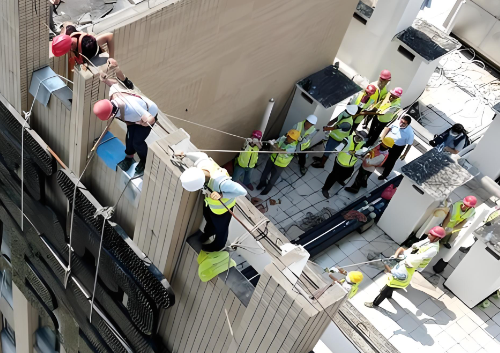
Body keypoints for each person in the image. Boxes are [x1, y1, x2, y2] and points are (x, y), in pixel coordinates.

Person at [179, 152, 247, 252]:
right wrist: (185, 154)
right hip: (210, 204)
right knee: (208, 219)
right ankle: (208, 233)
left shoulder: (221, 183)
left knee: (221, 230)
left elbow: (242, 191)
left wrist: (222, 194)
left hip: (223, 210)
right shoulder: (203, 167)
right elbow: (202, 156)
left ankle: (218, 245)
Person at [364, 226, 446, 308]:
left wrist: (403, 259)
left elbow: (419, 257)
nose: (428, 235)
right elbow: (415, 247)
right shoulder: (428, 240)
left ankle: (375, 304)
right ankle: (389, 294)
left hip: (411, 265)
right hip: (407, 264)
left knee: (385, 289)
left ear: (437, 238)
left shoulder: (434, 249)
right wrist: (404, 254)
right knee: (392, 284)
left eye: (431, 234)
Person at [93, 91, 158, 176]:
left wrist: (146, 121)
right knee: (129, 137)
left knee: (137, 142)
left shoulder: (132, 108)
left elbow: (151, 118)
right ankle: (129, 156)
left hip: (145, 117)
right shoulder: (112, 103)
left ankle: (144, 160)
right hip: (131, 120)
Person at [51, 31, 134, 89]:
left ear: (71, 45)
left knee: (111, 69)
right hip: (86, 55)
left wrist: (111, 57)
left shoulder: (88, 45)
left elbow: (109, 36)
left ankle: (124, 80)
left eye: (68, 50)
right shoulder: (70, 33)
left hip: (96, 55)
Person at [321, 131, 366, 198]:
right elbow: (339, 148)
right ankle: (325, 189)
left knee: (348, 174)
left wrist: (356, 152)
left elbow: (363, 151)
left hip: (350, 164)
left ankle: (340, 179)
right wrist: (339, 150)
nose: (359, 139)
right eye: (358, 137)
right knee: (333, 176)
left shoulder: (362, 144)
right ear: (356, 135)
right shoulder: (347, 140)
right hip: (340, 162)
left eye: (361, 138)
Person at [257, 129, 299, 195]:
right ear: (287, 135)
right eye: (289, 136)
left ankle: (266, 190)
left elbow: (281, 151)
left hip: (280, 165)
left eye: (292, 138)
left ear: (295, 140)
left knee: (272, 179)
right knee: (264, 173)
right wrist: (274, 144)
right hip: (272, 159)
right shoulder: (282, 138)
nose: (290, 139)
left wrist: (274, 145)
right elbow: (276, 144)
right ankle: (262, 183)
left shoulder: (292, 147)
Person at [377, 115, 414, 180]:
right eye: (401, 121)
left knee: (391, 161)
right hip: (388, 142)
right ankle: (382, 164)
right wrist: (382, 138)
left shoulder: (410, 133)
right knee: (382, 154)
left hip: (398, 147)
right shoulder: (396, 122)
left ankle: (384, 175)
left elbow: (409, 144)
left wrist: (405, 154)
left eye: (404, 123)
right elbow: (387, 128)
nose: (401, 124)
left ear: (407, 124)